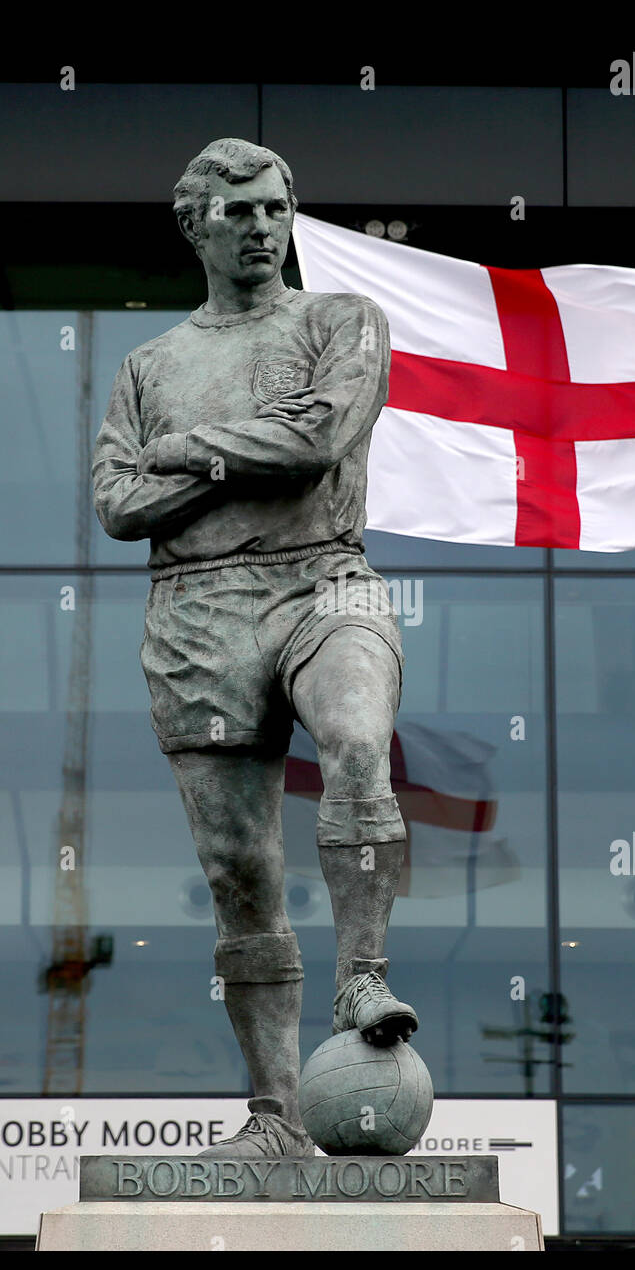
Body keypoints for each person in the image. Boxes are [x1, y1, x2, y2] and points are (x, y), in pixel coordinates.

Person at [92, 138, 417, 1158]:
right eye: (237, 213)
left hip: (323, 578)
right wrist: (249, 450)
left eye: (274, 208)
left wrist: (191, 451)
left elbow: (322, 434)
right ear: (194, 224)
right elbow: (115, 503)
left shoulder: (341, 320)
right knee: (239, 871)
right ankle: (274, 1112)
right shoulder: (149, 367)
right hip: (194, 612)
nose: (262, 226)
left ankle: (361, 971)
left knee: (359, 740)